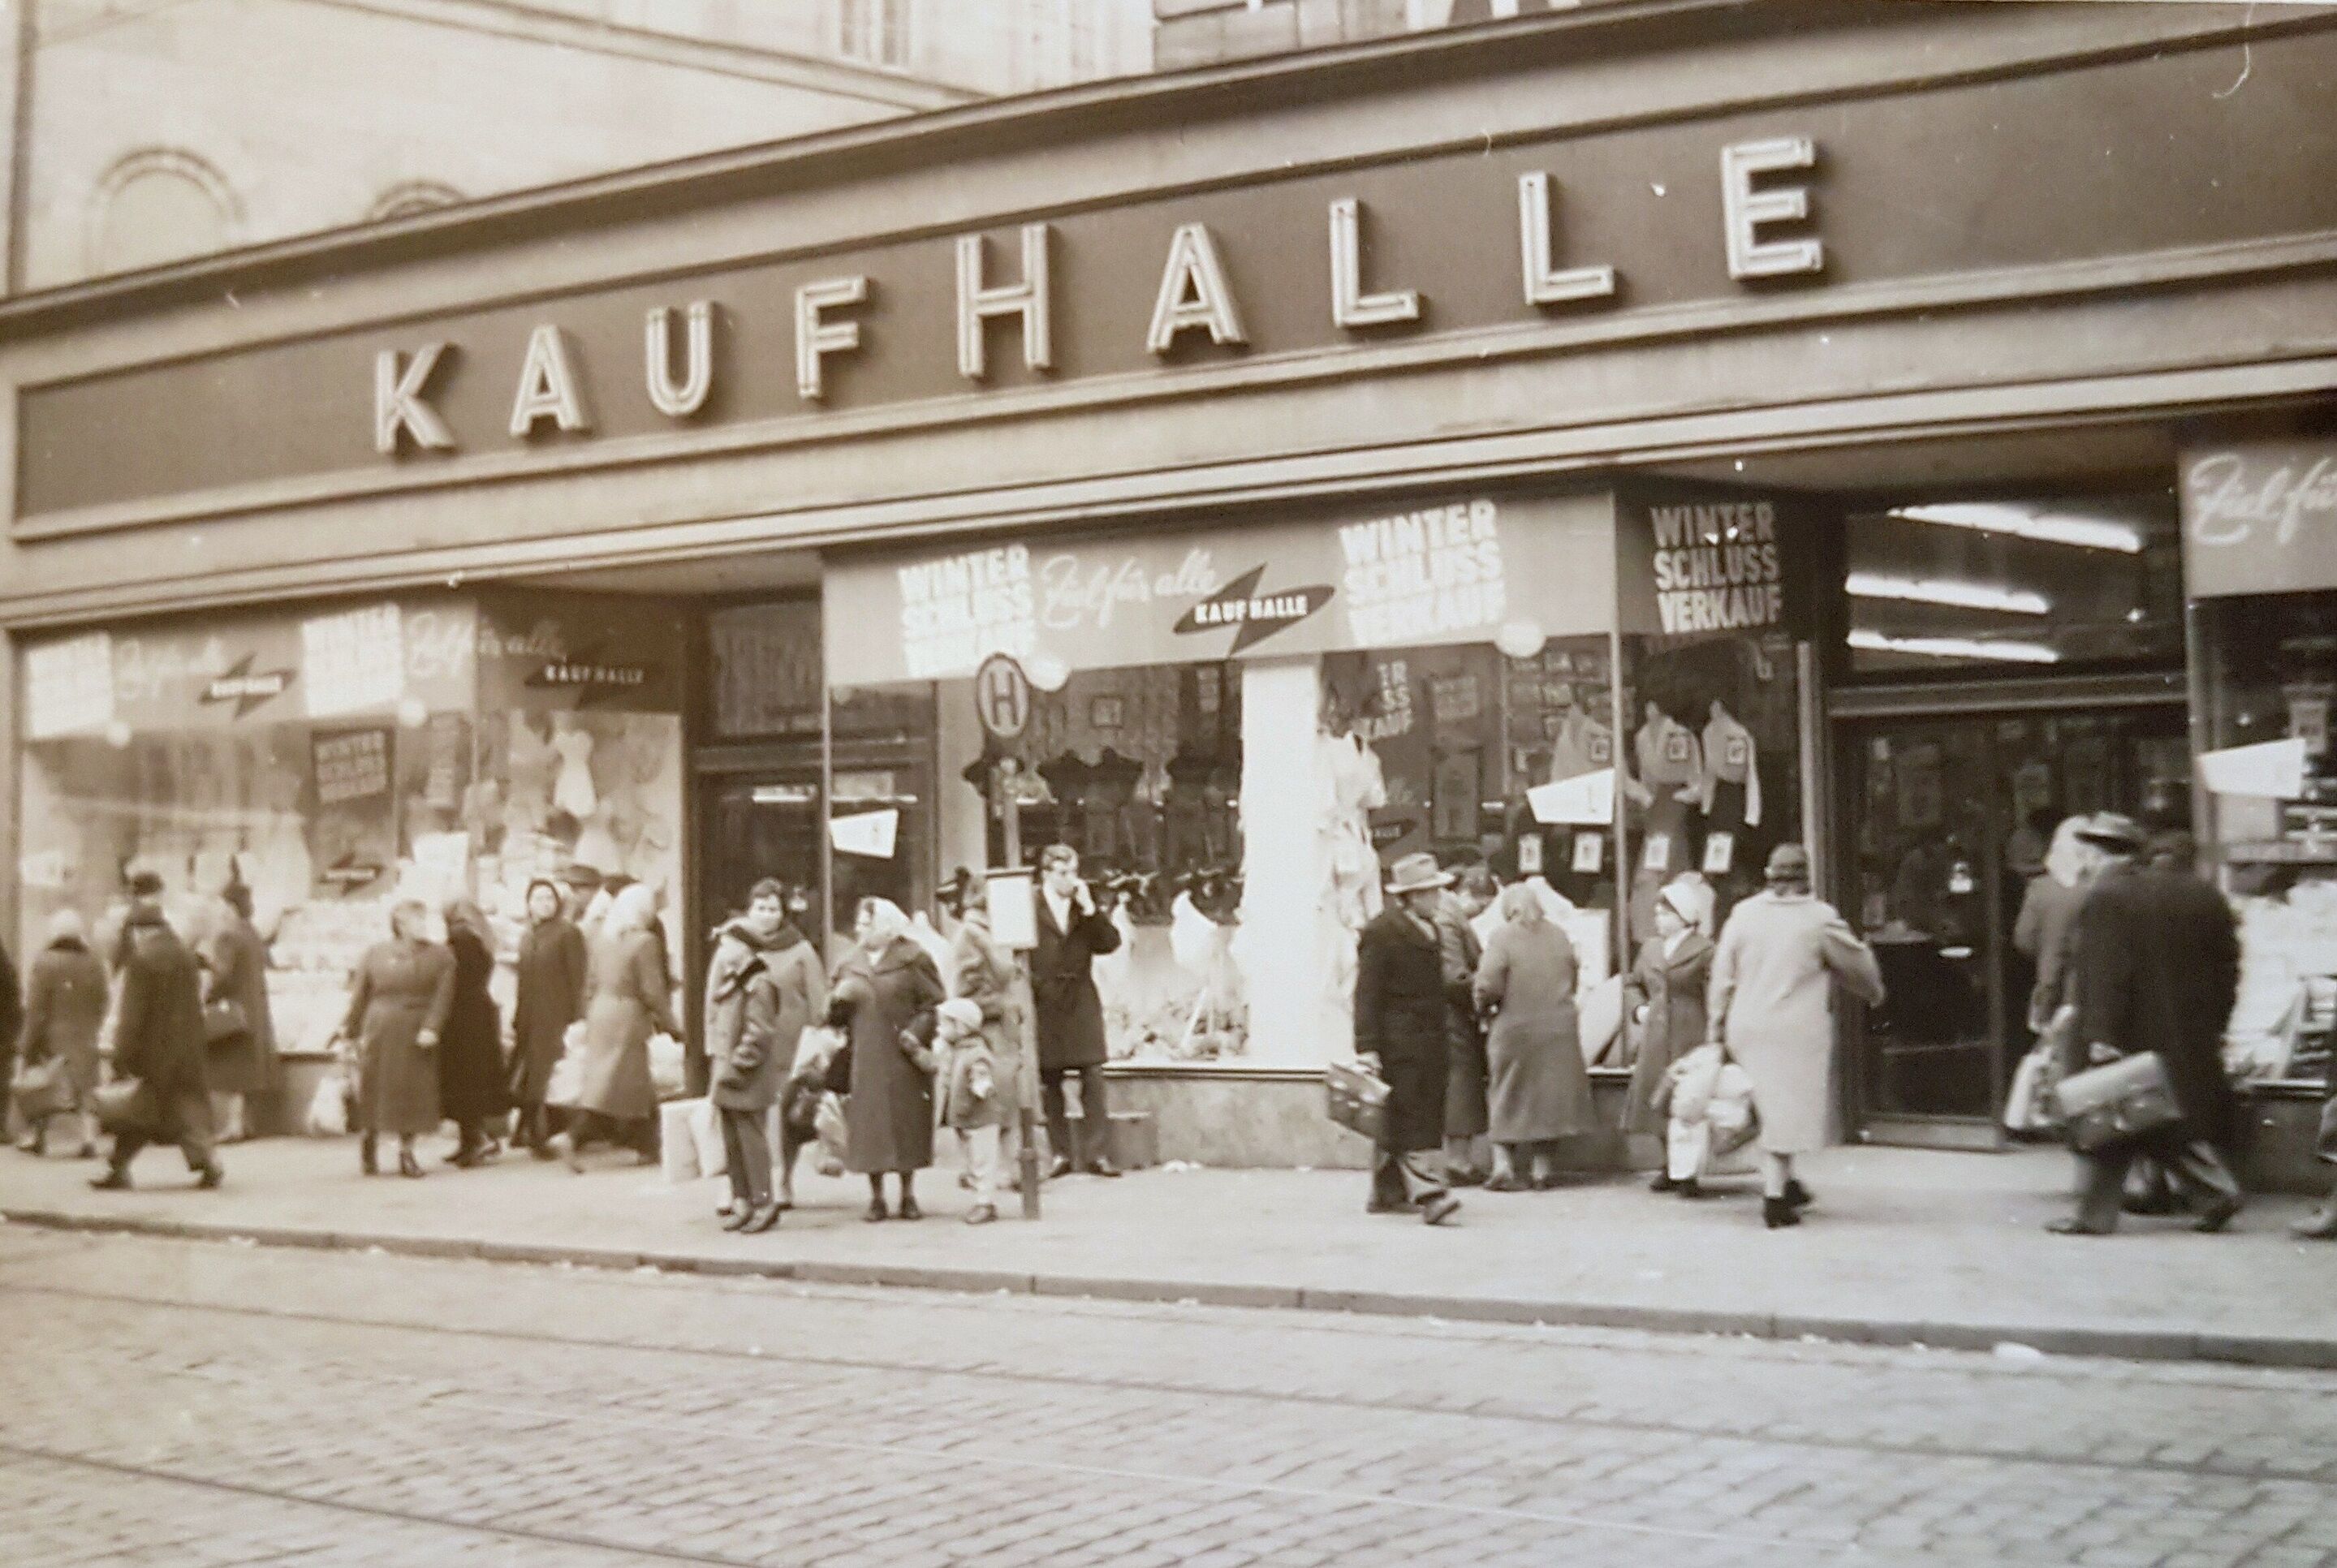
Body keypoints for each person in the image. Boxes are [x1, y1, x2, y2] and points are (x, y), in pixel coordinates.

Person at [2049, 812, 2246, 1237]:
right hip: (2187, 1031)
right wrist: (2217, 1020)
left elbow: (2105, 972)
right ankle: (2213, 1192)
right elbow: (2228, 965)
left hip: (2128, 1029)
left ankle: (2095, 1215)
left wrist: (2101, 1034)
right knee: (2154, 1117)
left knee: (2113, 1113)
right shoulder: (2203, 893)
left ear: (2099, 854)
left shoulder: (2107, 897)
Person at [1706, 842, 1885, 1229]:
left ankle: (1786, 1184)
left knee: (1767, 1108)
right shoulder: (1818, 918)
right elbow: (1857, 964)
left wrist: (1716, 1026)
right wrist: (1873, 992)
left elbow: (1722, 976)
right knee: (1784, 1114)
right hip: (1793, 1031)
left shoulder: (1743, 914)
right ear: (1807, 878)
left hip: (1746, 1026)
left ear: (1769, 876)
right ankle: (1775, 1200)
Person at [705, 878, 824, 1233]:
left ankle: (768, 1194)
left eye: (773, 909)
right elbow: (713, 1005)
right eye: (760, 908)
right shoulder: (734, 967)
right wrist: (716, 1049)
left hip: (767, 1054)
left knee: (768, 1125)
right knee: (735, 1131)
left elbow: (816, 1003)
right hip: (735, 1055)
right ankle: (741, 1197)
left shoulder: (773, 970)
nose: (766, 916)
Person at [1352, 852, 1463, 1226]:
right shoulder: (1382, 932)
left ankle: (1388, 1191)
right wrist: (1367, 1047)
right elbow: (1367, 993)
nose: (1438, 898)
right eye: (1431, 892)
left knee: (1402, 1114)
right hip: (1398, 1042)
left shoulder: (1428, 929)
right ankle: (1431, 1194)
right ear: (1412, 896)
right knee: (1413, 1115)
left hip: (1428, 1039)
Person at [92, 874, 222, 1191]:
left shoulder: (141, 961)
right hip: (187, 1049)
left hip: (153, 1054)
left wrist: (122, 1055)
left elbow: (132, 1016)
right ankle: (207, 1163)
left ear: (140, 931)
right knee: (184, 1110)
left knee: (137, 1110)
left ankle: (119, 1168)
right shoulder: (185, 957)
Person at [1472, 880, 1592, 1191]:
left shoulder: (1502, 937)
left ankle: (1503, 1166)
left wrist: (1482, 1008)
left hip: (1515, 1029)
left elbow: (1488, 984)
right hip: (1558, 1030)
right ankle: (1541, 1171)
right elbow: (1572, 978)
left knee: (1505, 1094)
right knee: (1548, 1100)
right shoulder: (1560, 936)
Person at [830, 896, 943, 1221]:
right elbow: (832, 1014)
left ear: (886, 927)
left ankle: (908, 1193)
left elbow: (932, 1004)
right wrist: (838, 1003)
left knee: (907, 1122)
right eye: (859, 924)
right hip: (865, 1054)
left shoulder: (914, 958)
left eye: (866, 924)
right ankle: (876, 1196)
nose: (859, 930)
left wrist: (916, 1033)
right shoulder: (849, 963)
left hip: (902, 1054)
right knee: (871, 1126)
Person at [554, 883, 679, 1169]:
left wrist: (586, 1016)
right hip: (627, 1015)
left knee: (623, 1081)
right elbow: (652, 991)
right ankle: (574, 1135)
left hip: (601, 1012)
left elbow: (590, 983)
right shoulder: (644, 942)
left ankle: (648, 1144)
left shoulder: (603, 939)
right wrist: (672, 1024)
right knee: (616, 1083)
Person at [339, 898, 454, 1179]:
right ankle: (369, 1140)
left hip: (416, 1031)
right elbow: (361, 995)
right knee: (375, 1089)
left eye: (425, 919)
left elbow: (443, 997)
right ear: (400, 925)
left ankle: (407, 1151)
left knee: (413, 1093)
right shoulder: (375, 954)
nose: (423, 925)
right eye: (417, 919)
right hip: (380, 1029)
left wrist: (432, 1027)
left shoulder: (441, 956)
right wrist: (350, 1031)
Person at [1031, 844, 1123, 1178]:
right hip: (1045, 999)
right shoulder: (1031, 905)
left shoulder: (1083, 906)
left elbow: (1109, 944)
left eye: (1073, 872)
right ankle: (1060, 1153)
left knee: (1093, 1074)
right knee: (1050, 1078)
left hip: (1080, 998)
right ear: (1046, 874)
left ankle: (1096, 1153)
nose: (1071, 880)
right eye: (1063, 873)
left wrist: (1090, 910)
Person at [943, 868, 1032, 1187]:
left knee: (1003, 1100)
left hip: (1000, 1028)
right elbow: (966, 987)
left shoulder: (992, 932)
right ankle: (985, 1171)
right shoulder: (973, 935)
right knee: (987, 1101)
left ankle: (1005, 1169)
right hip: (987, 1031)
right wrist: (999, 1004)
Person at [1625, 879, 1716, 1186]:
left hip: (1690, 1030)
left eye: (1666, 914)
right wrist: (1638, 1009)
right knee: (1658, 1098)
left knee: (1688, 1099)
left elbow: (1714, 991)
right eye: (1657, 914)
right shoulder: (1651, 948)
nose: (1659, 920)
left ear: (1684, 916)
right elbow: (1632, 983)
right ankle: (1668, 1164)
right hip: (1656, 1033)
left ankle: (1688, 1172)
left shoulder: (1704, 950)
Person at [15, 909, 109, 1158]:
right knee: (86, 1089)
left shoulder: (45, 963)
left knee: (44, 1086)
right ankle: (89, 1139)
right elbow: (103, 999)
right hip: (86, 1036)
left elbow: (36, 1009)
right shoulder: (94, 963)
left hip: (52, 1039)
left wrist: (26, 1045)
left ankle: (38, 1137)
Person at [509, 877, 586, 1158]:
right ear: (529, 904)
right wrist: (518, 1017)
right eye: (539, 898)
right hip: (531, 1018)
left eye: (550, 898)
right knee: (533, 1077)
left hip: (557, 1016)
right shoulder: (528, 935)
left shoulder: (568, 933)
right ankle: (534, 1134)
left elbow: (578, 978)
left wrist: (578, 1018)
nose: (545, 904)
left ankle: (546, 1136)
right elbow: (523, 981)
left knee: (552, 1076)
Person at [1437, 864, 1498, 1187]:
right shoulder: (1449, 918)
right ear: (1465, 894)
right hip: (1452, 1015)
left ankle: (1454, 1161)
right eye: (1482, 904)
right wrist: (1483, 989)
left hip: (1446, 1013)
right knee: (1461, 1083)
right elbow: (1454, 977)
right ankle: (1458, 1163)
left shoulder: (1445, 914)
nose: (1482, 912)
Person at [437, 899, 510, 1167]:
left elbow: (456, 977)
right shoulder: (480, 937)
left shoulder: (460, 939)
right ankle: (474, 1139)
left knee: (463, 1081)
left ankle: (475, 1140)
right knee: (474, 1080)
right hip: (478, 1014)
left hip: (462, 1018)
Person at [934, 997, 1005, 1224]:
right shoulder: (956, 1051)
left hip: (981, 1117)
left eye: (944, 1024)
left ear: (961, 1027)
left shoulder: (975, 1053)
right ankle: (980, 1194)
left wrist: (981, 1085)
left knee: (983, 1160)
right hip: (965, 1117)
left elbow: (981, 1072)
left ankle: (986, 1203)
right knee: (974, 1161)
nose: (939, 1029)